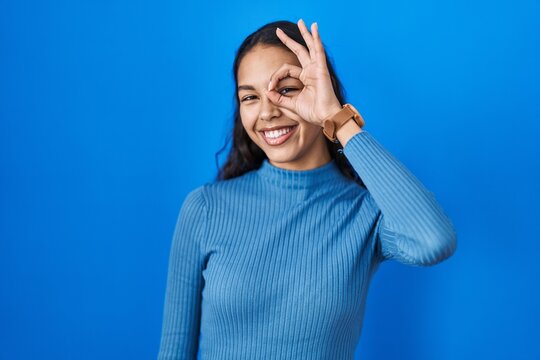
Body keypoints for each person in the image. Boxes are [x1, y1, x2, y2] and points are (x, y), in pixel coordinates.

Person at [157, 19, 457, 360]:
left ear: (320, 90)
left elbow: (434, 241)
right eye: (250, 97)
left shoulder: (365, 213)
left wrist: (336, 118)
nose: (268, 112)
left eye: (286, 89)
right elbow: (173, 349)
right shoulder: (205, 208)